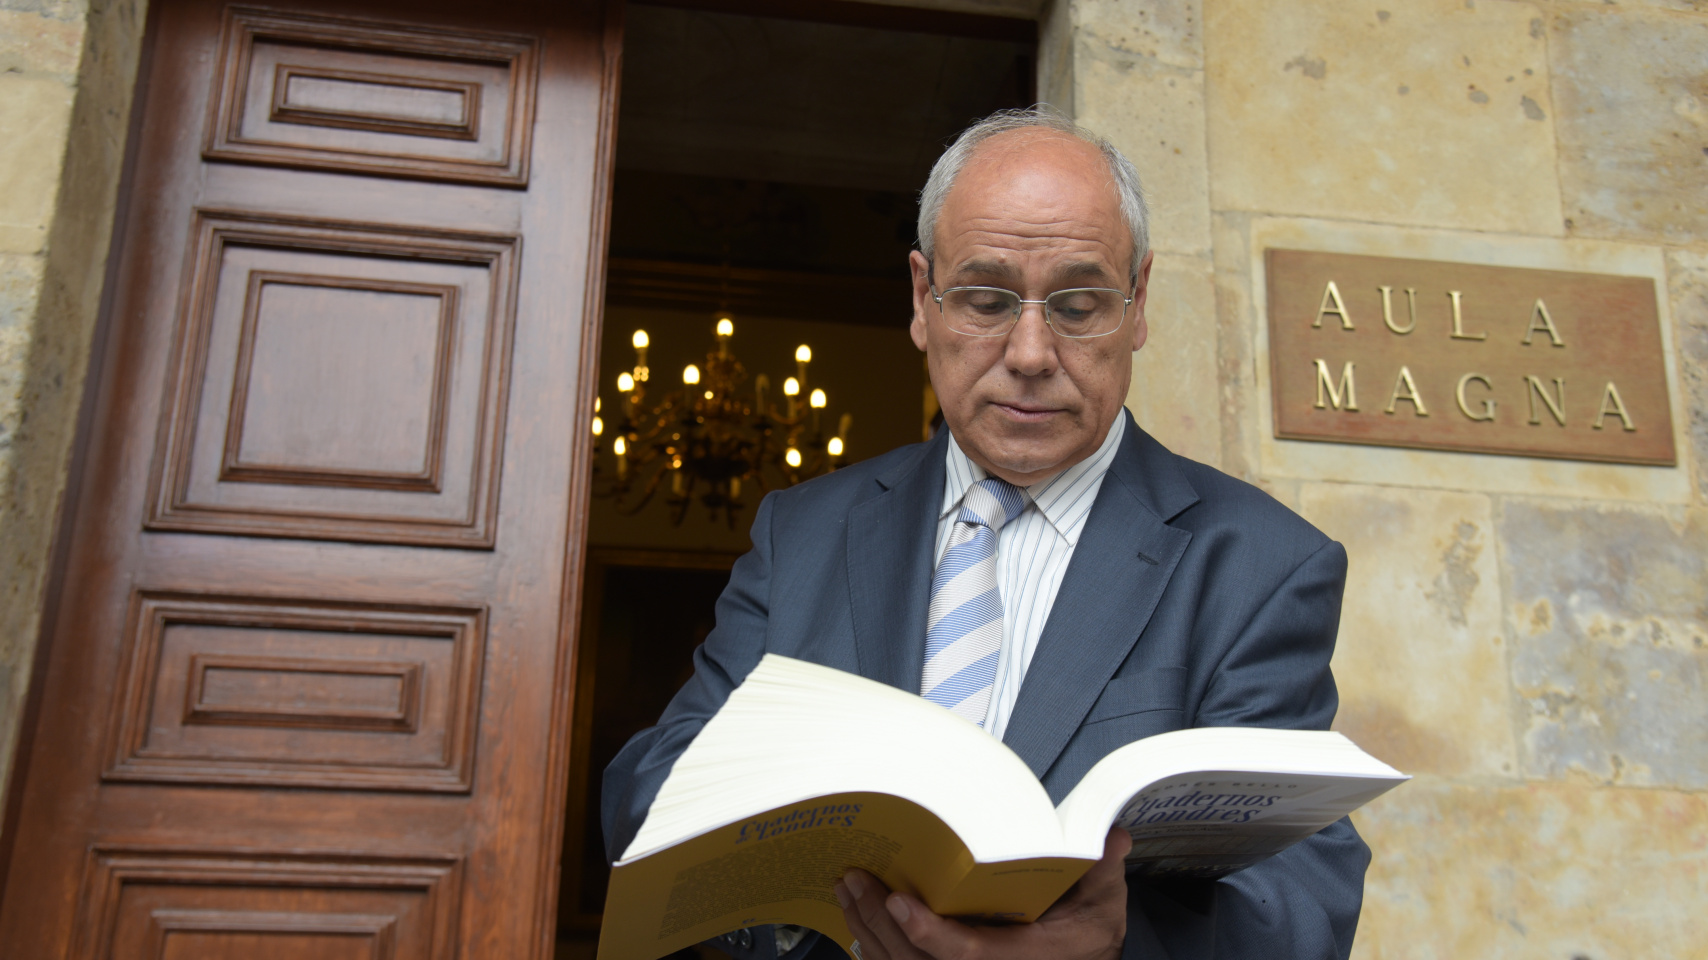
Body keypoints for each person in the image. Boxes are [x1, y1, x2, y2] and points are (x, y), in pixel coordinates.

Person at [602, 107, 1369, 960]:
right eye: (984, 299)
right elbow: (649, 789)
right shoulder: (805, 532)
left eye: (1079, 305)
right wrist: (802, 891)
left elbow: (1304, 895)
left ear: (1139, 303)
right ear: (922, 300)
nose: (1033, 351)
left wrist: (1116, 944)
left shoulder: (1262, 565)